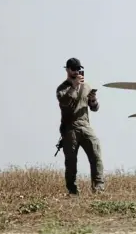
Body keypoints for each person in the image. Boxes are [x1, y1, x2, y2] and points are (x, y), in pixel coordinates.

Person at [56, 57, 105, 195]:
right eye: (74, 69)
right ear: (67, 69)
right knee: (71, 162)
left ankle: (98, 188)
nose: (77, 71)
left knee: (96, 155)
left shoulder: (86, 86)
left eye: (79, 69)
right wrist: (73, 86)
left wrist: (93, 100)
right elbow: (64, 103)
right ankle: (72, 191)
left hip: (85, 125)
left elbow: (94, 108)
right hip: (70, 128)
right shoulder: (62, 88)